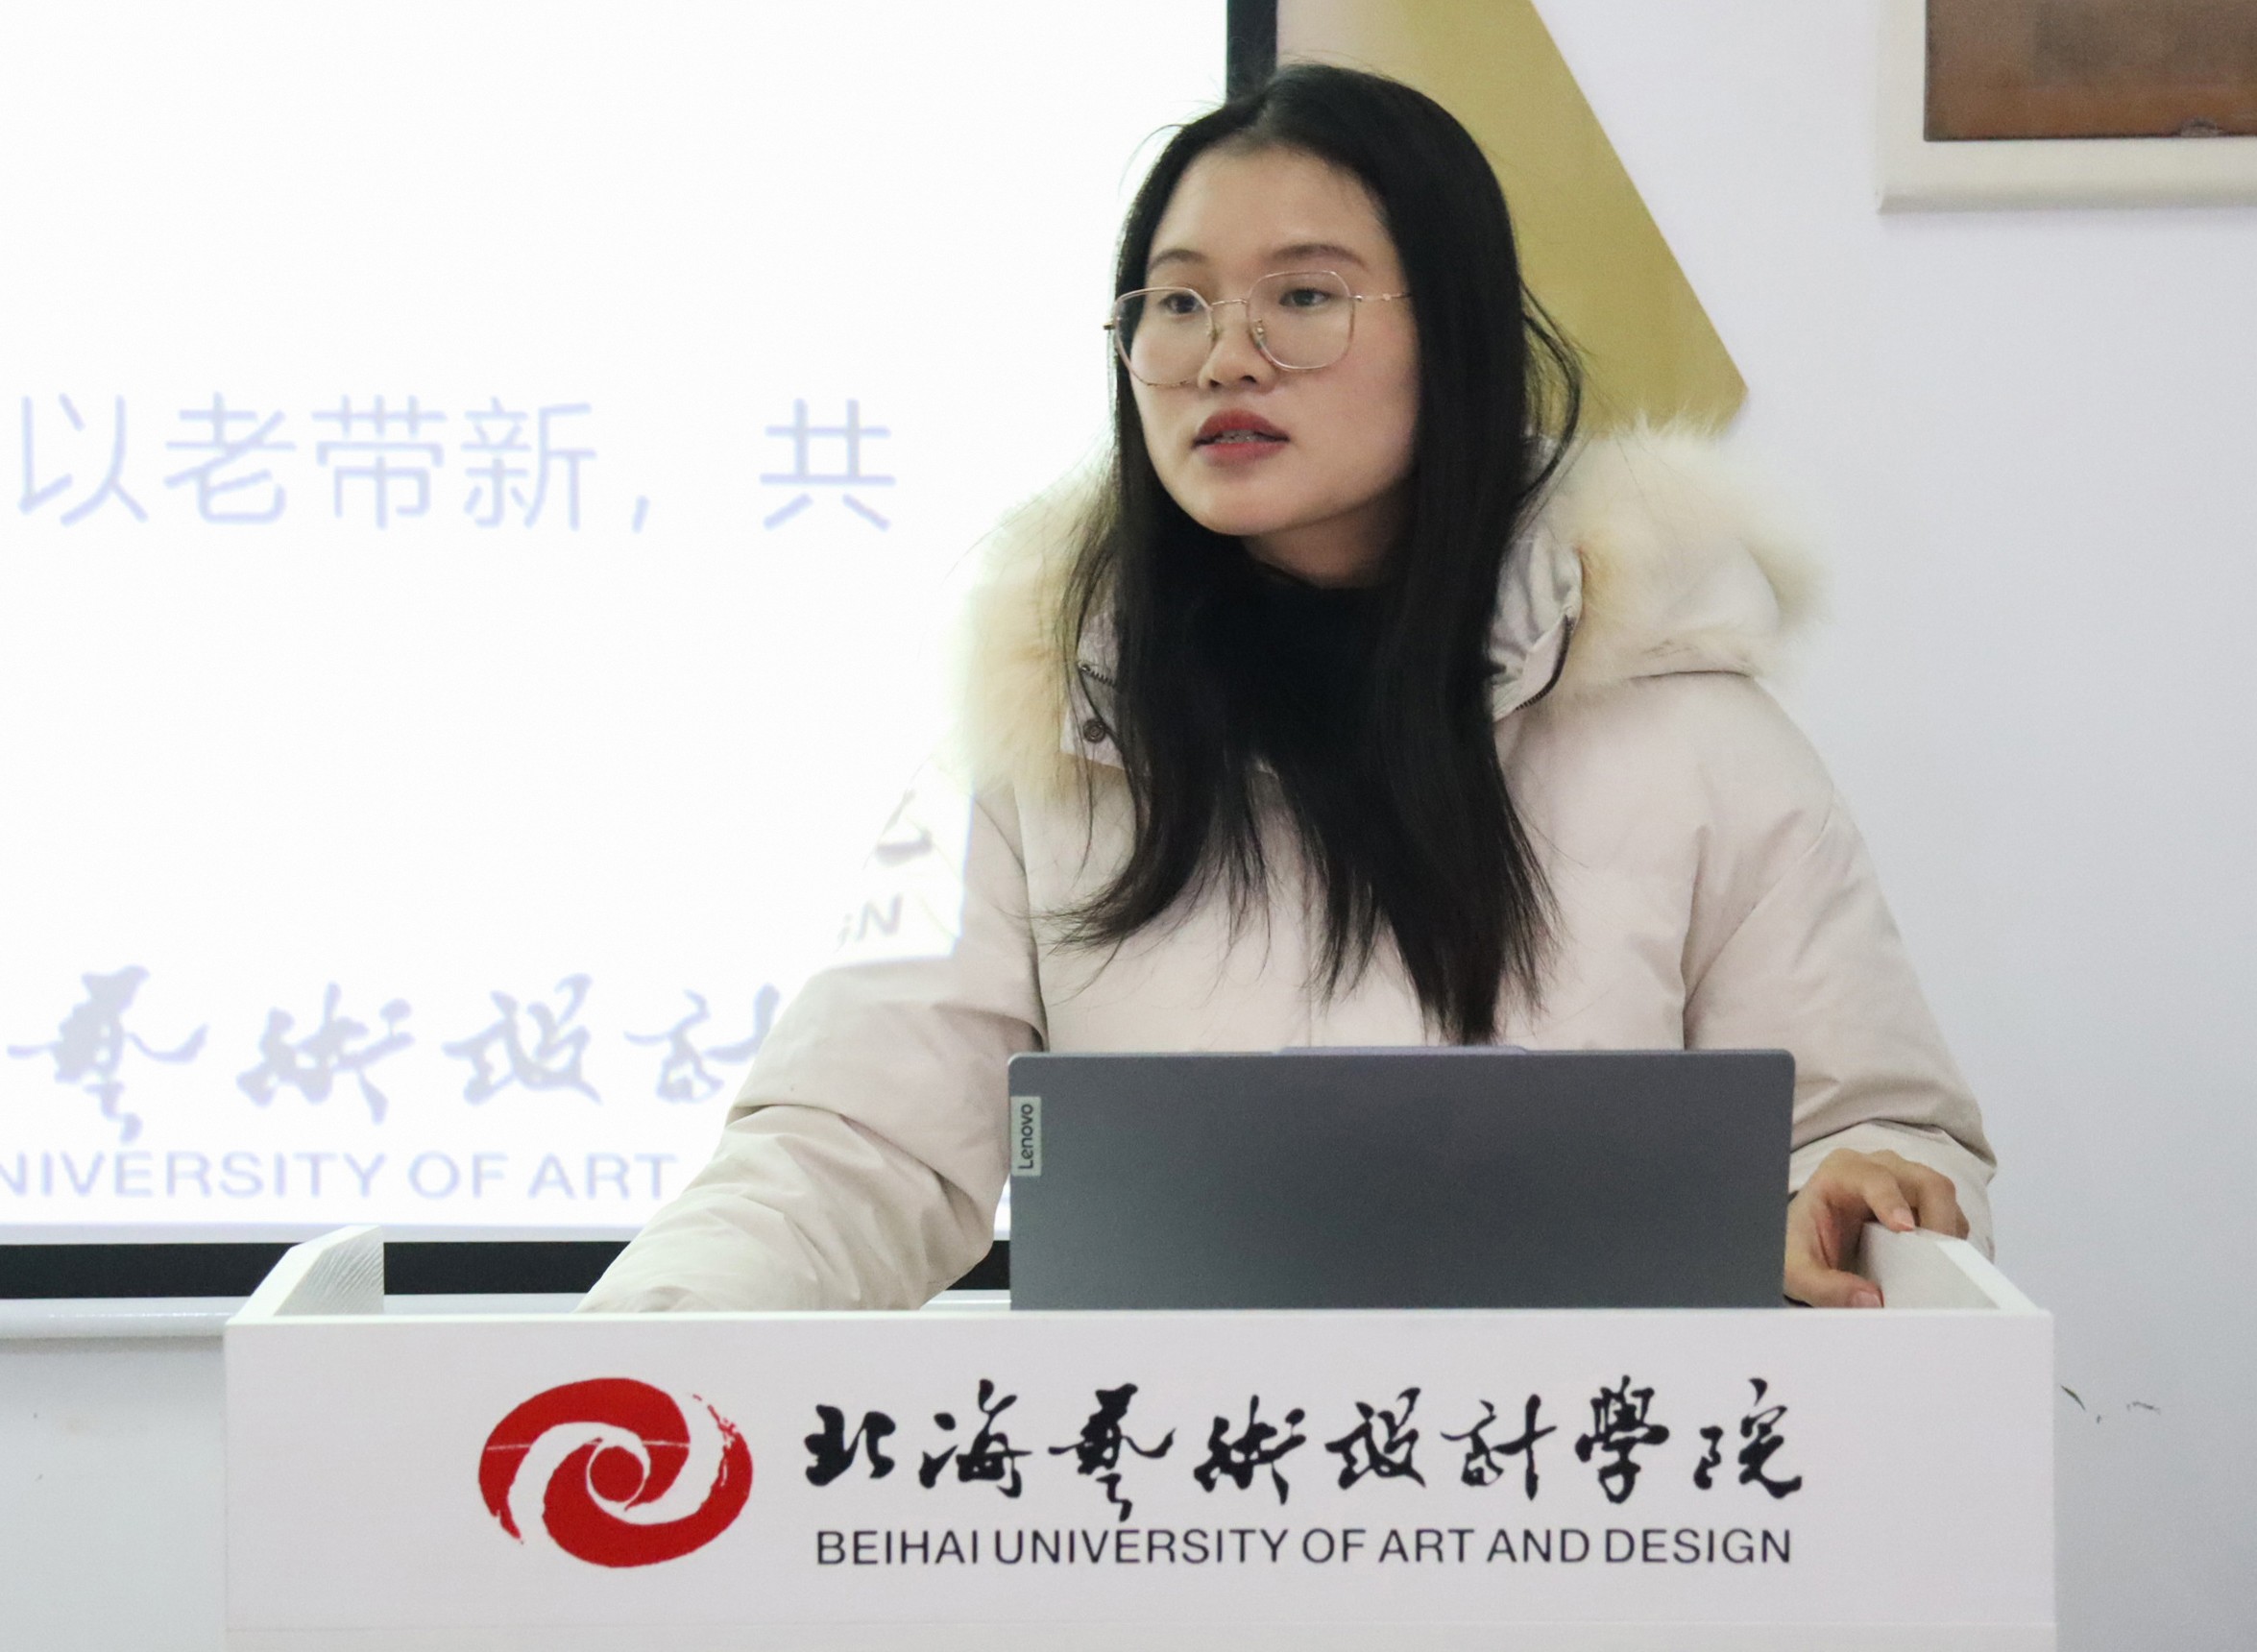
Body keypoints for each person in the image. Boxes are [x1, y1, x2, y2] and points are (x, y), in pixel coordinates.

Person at [581, 64, 1992, 1316]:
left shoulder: (1692, 734)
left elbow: (1869, 1133)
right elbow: (848, 1147)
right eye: (1177, 302)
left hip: (1583, 1498)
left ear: (1454, 332)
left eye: (1304, 297)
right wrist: (637, 1346)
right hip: (1155, 1498)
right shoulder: (1031, 746)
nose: (1224, 356)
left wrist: (1849, 1195)